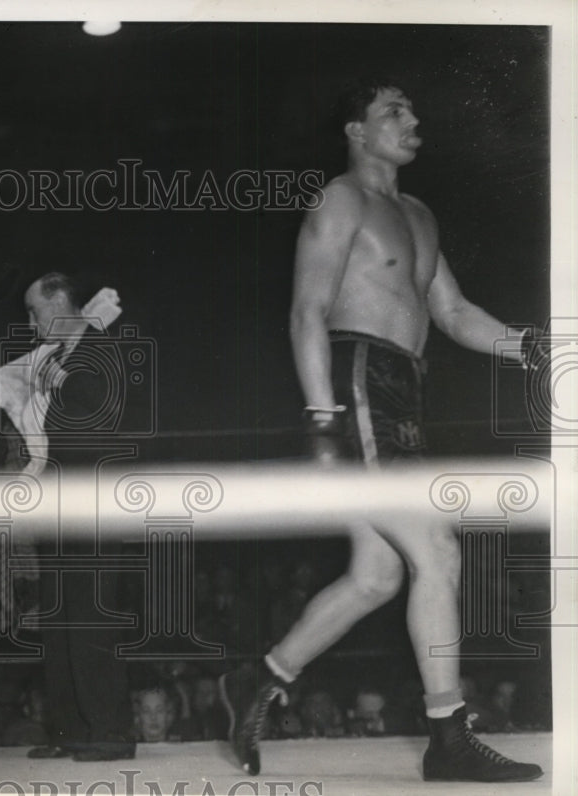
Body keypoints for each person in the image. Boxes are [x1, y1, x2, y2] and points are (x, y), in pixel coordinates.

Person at [218, 78, 543, 783]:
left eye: (413, 109)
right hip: (356, 380)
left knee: (377, 574)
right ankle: (448, 734)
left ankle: (261, 679)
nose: (413, 119)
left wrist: (531, 346)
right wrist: (322, 423)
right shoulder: (341, 199)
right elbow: (306, 311)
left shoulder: (419, 214)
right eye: (393, 111)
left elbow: (453, 315)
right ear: (355, 132)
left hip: (404, 388)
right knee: (439, 552)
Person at [16, 273, 136, 762]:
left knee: (90, 615)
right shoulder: (58, 355)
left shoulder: (101, 346)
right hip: (59, 501)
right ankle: (68, 729)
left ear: (60, 301)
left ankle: (110, 731)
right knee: (60, 617)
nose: (28, 323)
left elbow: (93, 410)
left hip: (95, 500)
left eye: (34, 311)